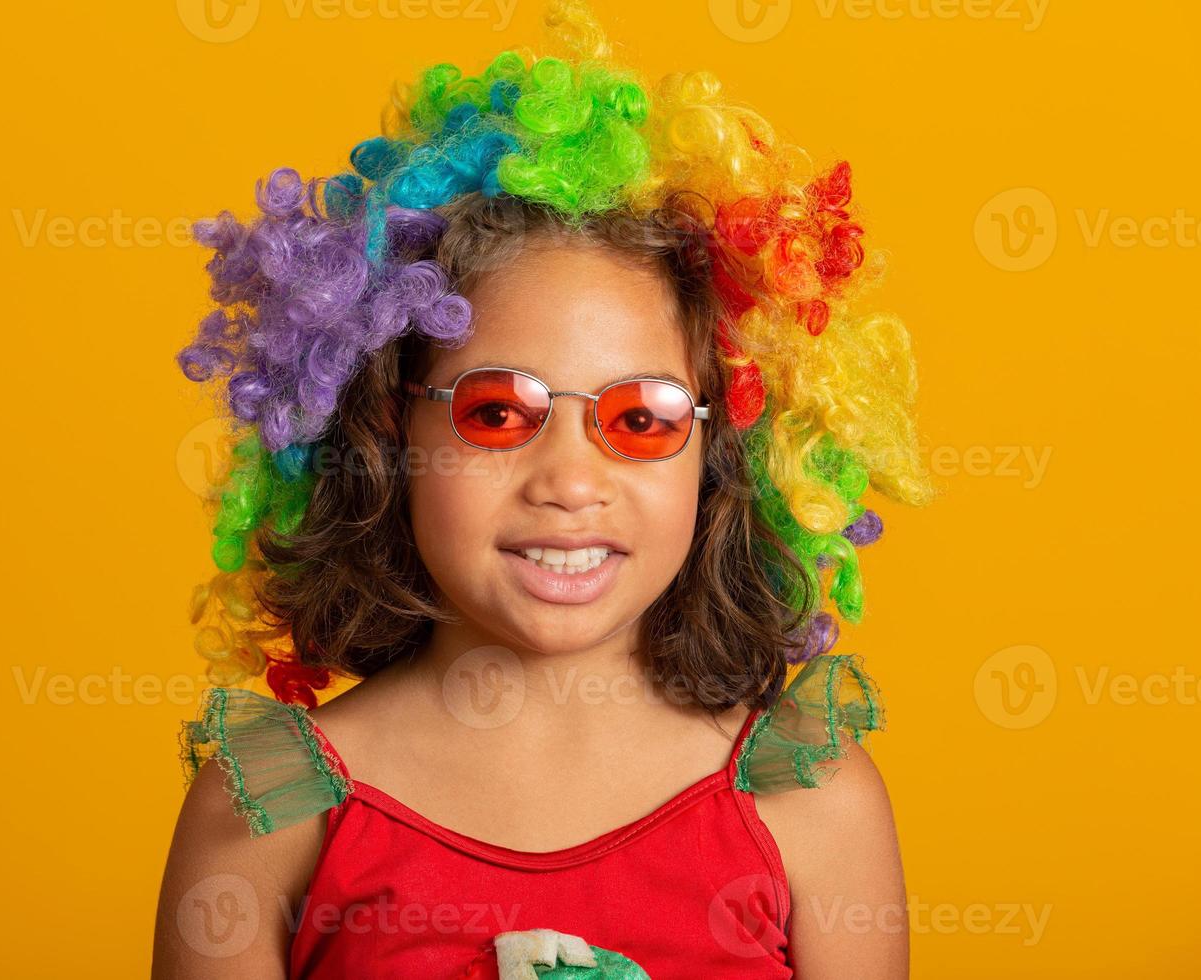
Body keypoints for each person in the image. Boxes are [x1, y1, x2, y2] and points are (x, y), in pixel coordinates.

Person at [153, 2, 935, 976]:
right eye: (496, 412)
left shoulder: (808, 797)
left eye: (639, 419)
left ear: (718, 447)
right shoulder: (273, 799)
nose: (569, 480)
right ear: (393, 428)